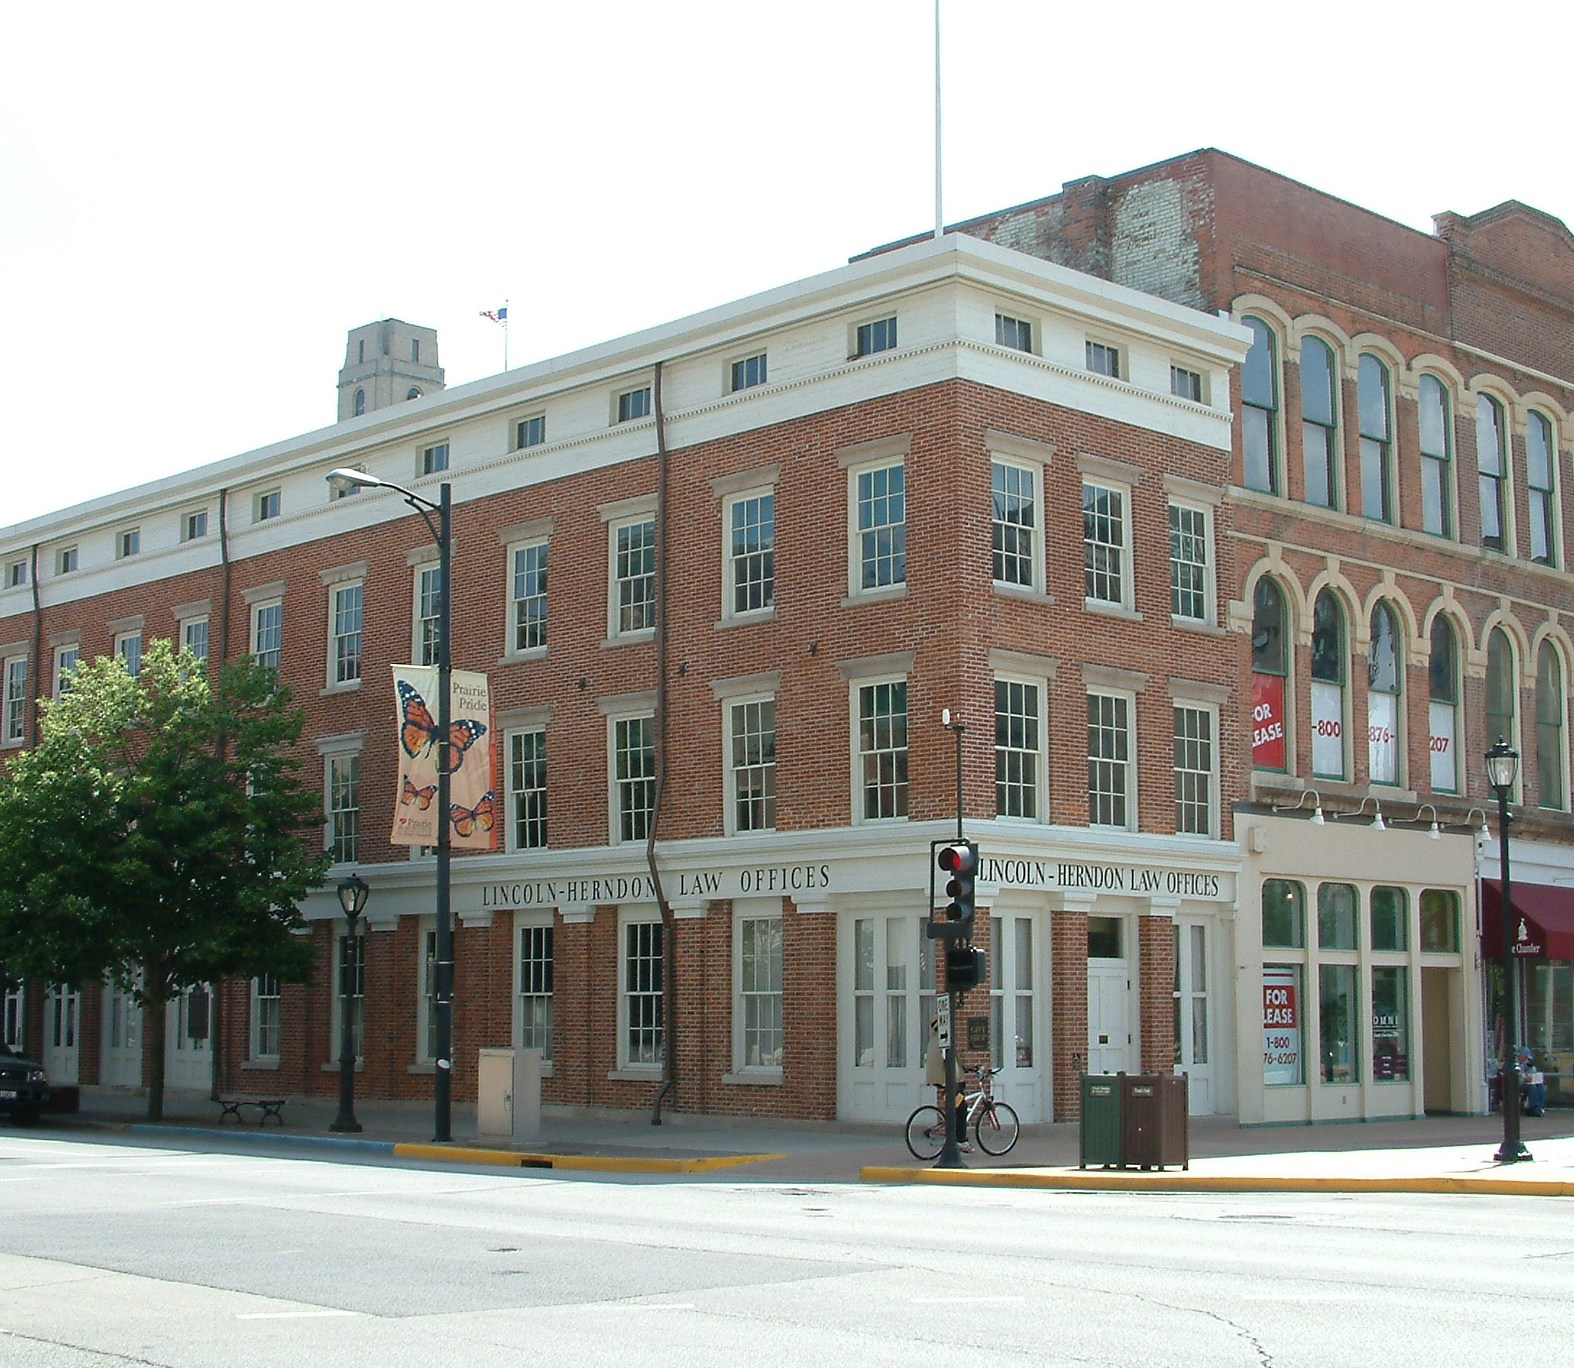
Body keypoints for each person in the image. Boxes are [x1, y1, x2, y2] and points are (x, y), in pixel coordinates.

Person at [925, 1017, 970, 1152]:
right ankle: (961, 1140)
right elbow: (948, 1060)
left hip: (937, 1078)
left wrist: (964, 1068)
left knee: (955, 1104)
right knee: (962, 1106)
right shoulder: (943, 1039)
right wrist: (958, 1079)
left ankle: (953, 1131)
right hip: (945, 1079)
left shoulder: (934, 1038)